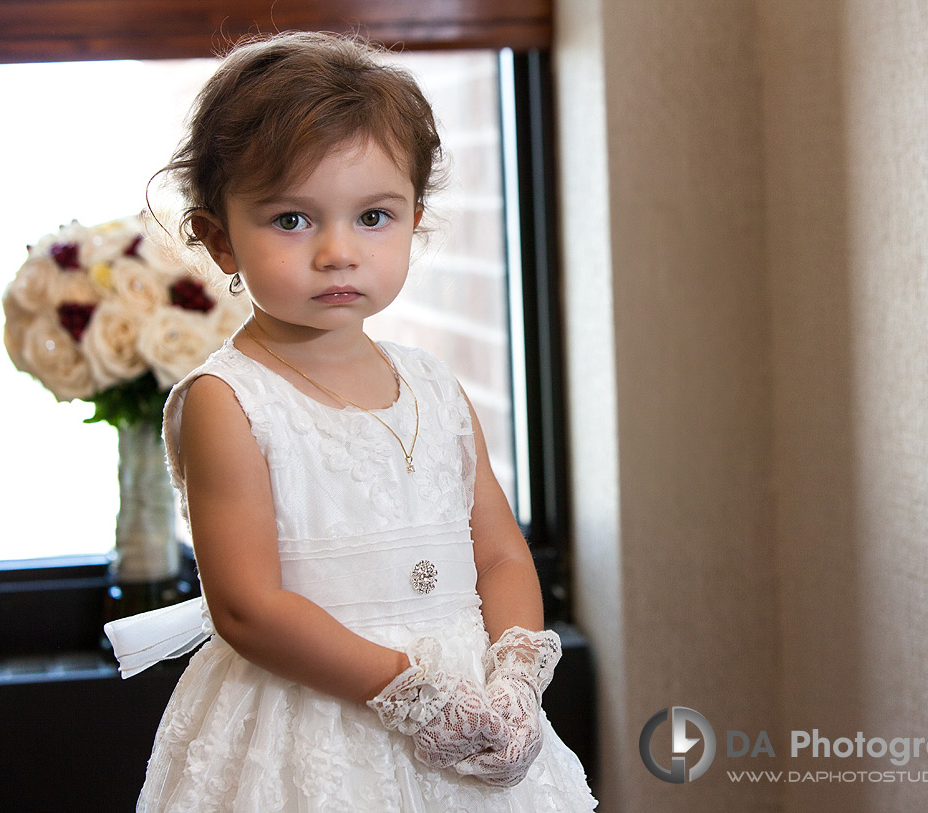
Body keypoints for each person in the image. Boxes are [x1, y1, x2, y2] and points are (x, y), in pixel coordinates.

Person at [104, 31, 597, 812]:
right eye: (292, 221)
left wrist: (511, 673)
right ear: (219, 237)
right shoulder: (229, 400)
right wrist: (412, 692)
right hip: (312, 723)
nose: (339, 251)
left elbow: (500, 553)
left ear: (415, 219)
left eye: (373, 215)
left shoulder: (434, 386)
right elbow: (247, 606)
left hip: (468, 709)